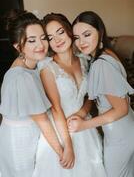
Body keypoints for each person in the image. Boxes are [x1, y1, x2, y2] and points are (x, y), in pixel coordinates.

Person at [33, 13, 106, 177]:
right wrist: (68, 146)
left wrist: (82, 112)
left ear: (69, 30)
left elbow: (90, 96)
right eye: (50, 37)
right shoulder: (47, 68)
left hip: (83, 126)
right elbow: (56, 109)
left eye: (60, 32)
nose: (57, 40)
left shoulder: (84, 60)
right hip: (61, 131)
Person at [68, 11, 134, 177]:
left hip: (120, 137)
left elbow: (121, 109)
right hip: (125, 130)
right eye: (76, 37)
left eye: (87, 34)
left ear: (100, 32)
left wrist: (83, 125)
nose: (81, 42)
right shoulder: (107, 54)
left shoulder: (101, 64)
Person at [0, 11, 63, 177]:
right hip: (20, 141)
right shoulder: (21, 77)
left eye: (43, 38)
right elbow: (42, 120)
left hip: (27, 133)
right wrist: (61, 152)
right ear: (18, 46)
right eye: (31, 40)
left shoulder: (32, 64)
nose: (40, 45)